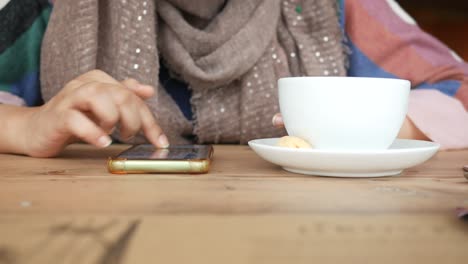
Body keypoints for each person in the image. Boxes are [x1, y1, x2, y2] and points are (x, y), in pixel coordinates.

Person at [0, 0, 467, 158]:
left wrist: (375, 127)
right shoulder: (55, 9)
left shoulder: (331, 7)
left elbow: (458, 87)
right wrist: (27, 127)